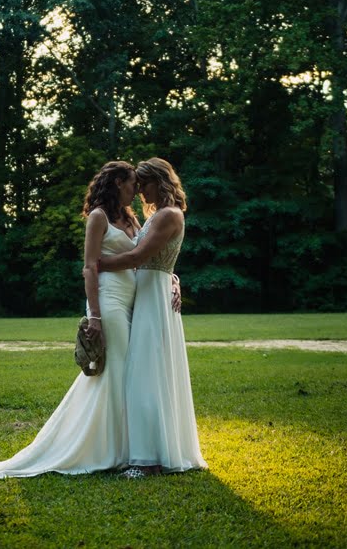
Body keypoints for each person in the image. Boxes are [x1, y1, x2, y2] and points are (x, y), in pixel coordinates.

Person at [0, 161, 140, 479]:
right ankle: (109, 450)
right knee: (114, 370)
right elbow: (89, 267)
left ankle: (119, 444)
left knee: (123, 371)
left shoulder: (131, 217)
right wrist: (93, 316)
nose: (136, 189)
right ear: (118, 182)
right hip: (108, 302)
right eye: (132, 183)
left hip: (131, 301)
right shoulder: (98, 217)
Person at [97, 157, 207, 477]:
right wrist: (173, 277)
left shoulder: (169, 215)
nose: (139, 190)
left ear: (159, 181)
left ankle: (149, 461)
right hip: (148, 292)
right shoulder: (158, 215)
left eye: (143, 183)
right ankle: (146, 453)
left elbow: (138, 257)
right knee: (144, 374)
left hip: (154, 299)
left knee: (147, 376)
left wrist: (95, 264)